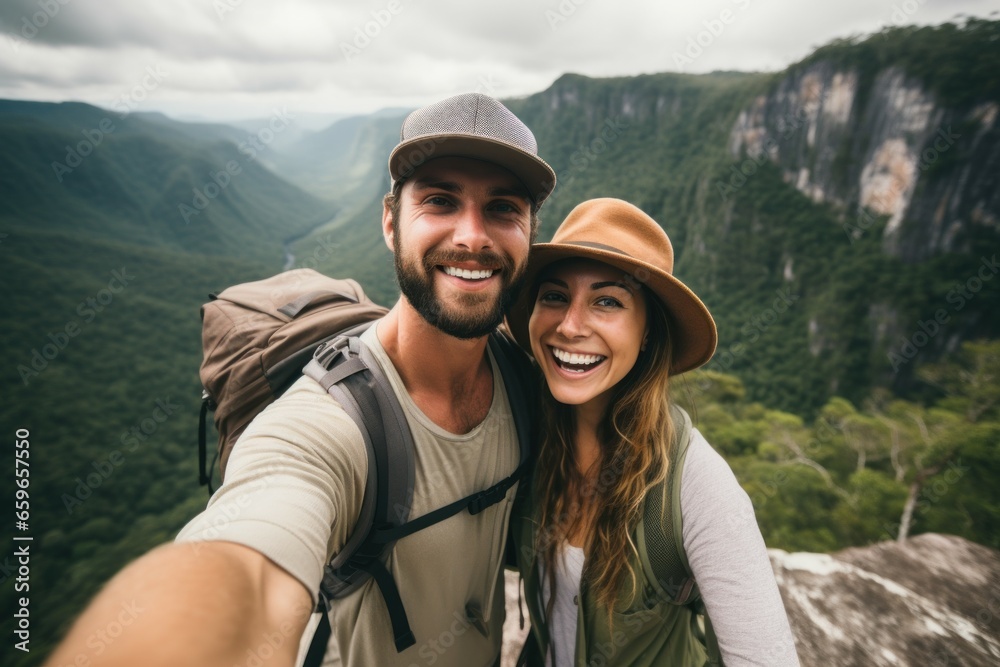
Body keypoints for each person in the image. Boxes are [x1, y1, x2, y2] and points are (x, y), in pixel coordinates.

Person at [43, 93, 556, 667]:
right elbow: (250, 569)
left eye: (503, 209)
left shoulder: (524, 379)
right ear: (391, 223)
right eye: (440, 201)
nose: (471, 237)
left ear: (530, 235)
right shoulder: (330, 423)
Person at [504, 198, 799, 666]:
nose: (570, 325)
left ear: (647, 332)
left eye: (607, 301)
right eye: (555, 296)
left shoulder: (696, 488)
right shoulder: (523, 438)